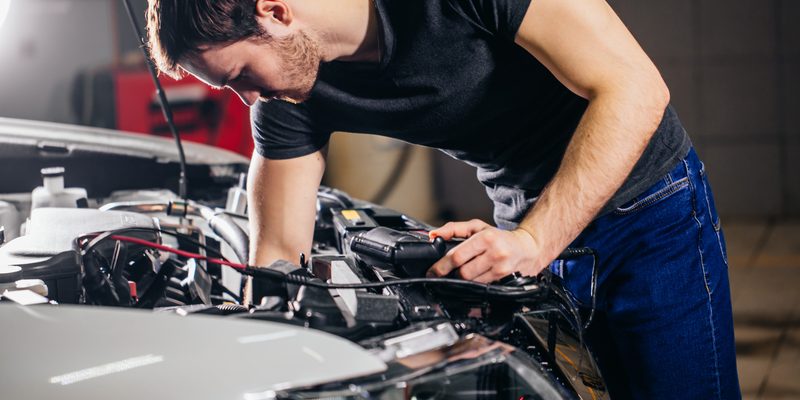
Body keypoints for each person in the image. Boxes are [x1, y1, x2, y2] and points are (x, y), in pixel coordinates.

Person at [145, 0, 740, 398]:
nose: (250, 101)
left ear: (274, 10)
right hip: (521, 224)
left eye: (241, 75)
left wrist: (535, 240)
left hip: (646, 210)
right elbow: (277, 253)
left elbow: (634, 88)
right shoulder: (289, 98)